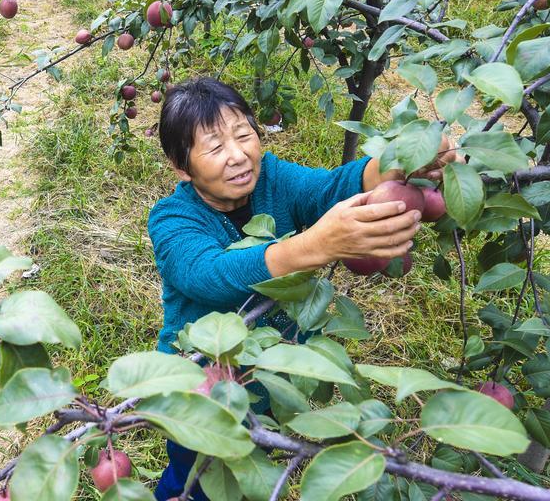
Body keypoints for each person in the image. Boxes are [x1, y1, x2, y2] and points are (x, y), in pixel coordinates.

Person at [147, 78, 457, 500]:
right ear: (181, 166)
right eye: (215, 148)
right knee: (196, 476)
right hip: (200, 385)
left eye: (244, 135)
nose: (238, 156)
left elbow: (326, 190)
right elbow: (210, 275)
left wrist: (399, 165)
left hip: (268, 373)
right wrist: (317, 245)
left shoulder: (272, 177)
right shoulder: (171, 218)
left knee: (248, 467)